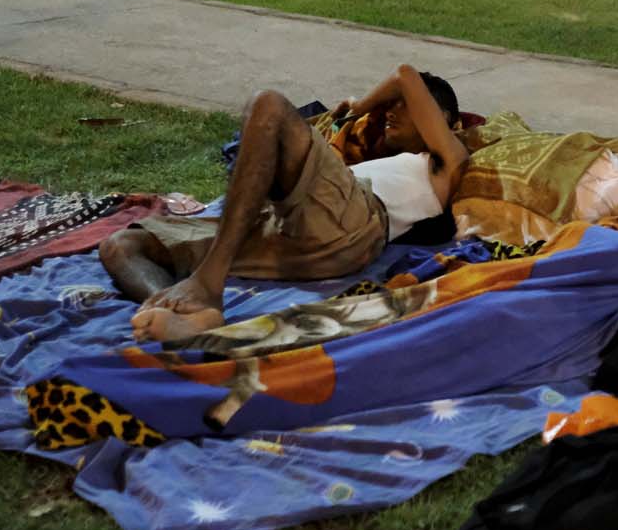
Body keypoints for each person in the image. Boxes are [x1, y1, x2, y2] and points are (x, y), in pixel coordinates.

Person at [100, 64, 469, 342]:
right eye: (393, 105)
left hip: (355, 223)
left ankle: (208, 283)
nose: (393, 111)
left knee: (268, 104)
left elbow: (404, 74)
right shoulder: (368, 162)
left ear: (448, 123)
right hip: (296, 234)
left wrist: (358, 107)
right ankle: (180, 312)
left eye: (408, 106)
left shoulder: (447, 160)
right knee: (122, 245)